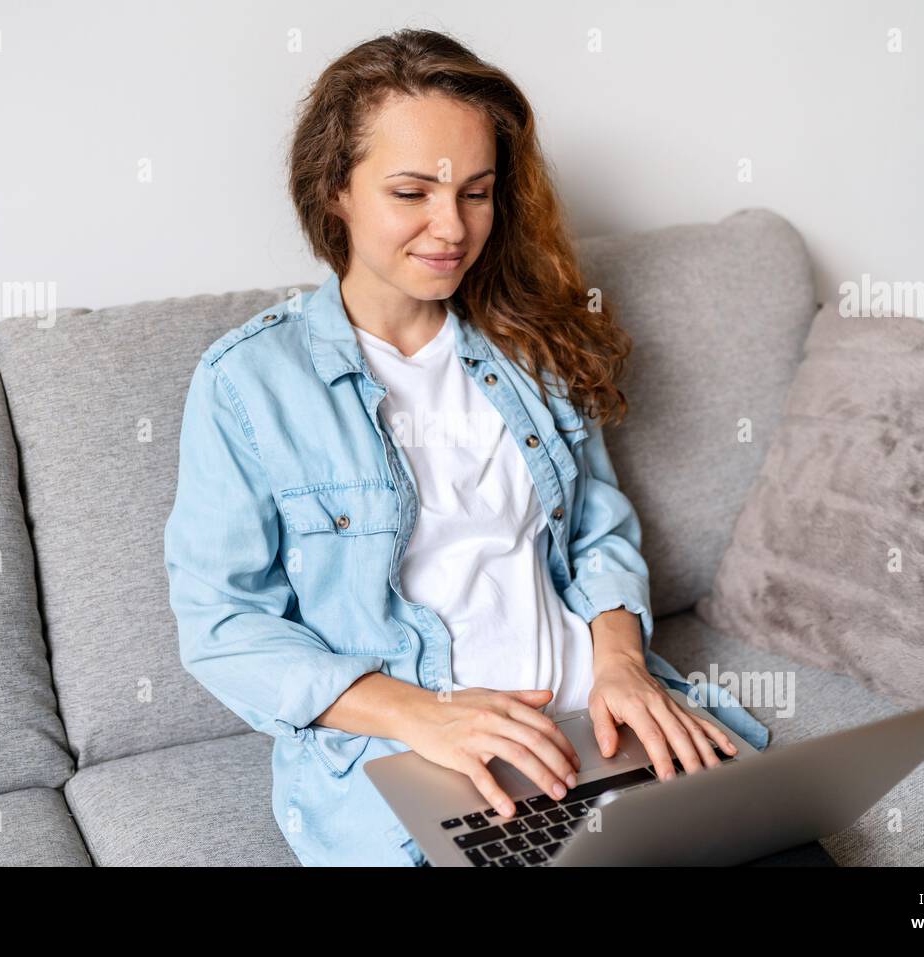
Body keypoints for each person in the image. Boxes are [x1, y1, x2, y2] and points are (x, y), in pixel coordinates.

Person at [164, 28, 777, 867]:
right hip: (432, 766)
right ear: (334, 189)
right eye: (411, 191)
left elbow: (596, 528)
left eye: (477, 192)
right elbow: (225, 623)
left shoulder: (531, 341)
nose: (451, 228)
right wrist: (421, 714)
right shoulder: (249, 384)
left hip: (602, 727)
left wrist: (623, 665)